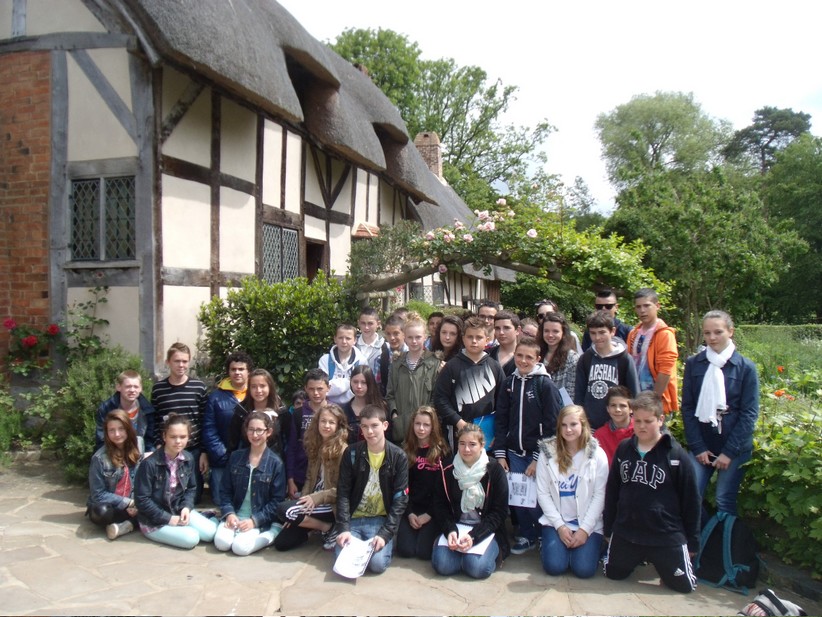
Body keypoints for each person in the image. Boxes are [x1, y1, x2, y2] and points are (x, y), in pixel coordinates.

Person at [603, 392, 700, 593]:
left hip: (664, 534)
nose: (642, 426)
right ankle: (638, 558)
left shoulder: (675, 455)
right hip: (628, 532)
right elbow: (612, 491)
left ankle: (662, 563)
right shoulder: (624, 449)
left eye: (648, 421)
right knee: (613, 574)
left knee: (684, 586)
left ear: (660, 419)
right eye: (637, 420)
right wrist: (608, 529)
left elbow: (691, 500)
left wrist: (692, 542)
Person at [682, 310, 759, 518]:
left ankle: (724, 539)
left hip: (734, 447)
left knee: (724, 499)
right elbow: (688, 407)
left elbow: (749, 413)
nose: (712, 338)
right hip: (703, 444)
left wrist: (729, 452)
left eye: (718, 332)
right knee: (690, 495)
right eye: (707, 333)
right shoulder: (694, 364)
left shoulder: (745, 367)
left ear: (730, 331)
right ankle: (701, 536)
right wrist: (698, 447)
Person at [494, 336, 563, 555]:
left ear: (538, 359)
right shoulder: (509, 383)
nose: (523, 361)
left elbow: (552, 425)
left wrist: (537, 458)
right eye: (519, 356)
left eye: (529, 357)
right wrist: (501, 454)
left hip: (538, 454)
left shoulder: (545, 385)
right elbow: (501, 420)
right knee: (519, 497)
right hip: (514, 453)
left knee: (539, 498)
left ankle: (545, 533)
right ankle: (527, 534)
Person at [334, 404, 409, 575]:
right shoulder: (351, 453)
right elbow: (343, 493)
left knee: (377, 565)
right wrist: (343, 528)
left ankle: (389, 542)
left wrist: (385, 534)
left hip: (380, 521)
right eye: (365, 426)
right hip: (354, 520)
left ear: (385, 425)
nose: (369, 431)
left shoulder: (398, 456)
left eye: (374, 425)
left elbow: (400, 499)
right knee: (344, 562)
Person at [536, 405, 609, 578]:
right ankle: (549, 544)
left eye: (573, 424)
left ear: (583, 425)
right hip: (557, 522)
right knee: (554, 567)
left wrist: (584, 530)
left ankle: (596, 546)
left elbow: (600, 495)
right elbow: (543, 494)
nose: (568, 430)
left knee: (583, 570)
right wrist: (560, 526)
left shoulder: (597, 454)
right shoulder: (547, 453)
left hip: (587, 523)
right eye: (563, 425)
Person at [431, 424, 509, 579]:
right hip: (457, 527)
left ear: (482, 445)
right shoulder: (447, 469)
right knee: (442, 565)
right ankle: (459, 556)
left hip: (485, 530)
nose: (466, 449)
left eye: (472, 444)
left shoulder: (494, 470)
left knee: (477, 568)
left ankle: (485, 555)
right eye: (462, 444)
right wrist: (450, 530)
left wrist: (474, 537)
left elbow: (499, 512)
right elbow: (440, 505)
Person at [134, 414, 218, 549]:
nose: (178, 441)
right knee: (192, 538)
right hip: (154, 520)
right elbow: (142, 500)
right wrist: (168, 519)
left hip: (178, 510)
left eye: (183, 437)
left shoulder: (188, 458)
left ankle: (205, 518)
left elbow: (191, 488)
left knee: (210, 533)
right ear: (164, 436)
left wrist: (186, 507)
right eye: (173, 437)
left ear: (188, 437)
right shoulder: (149, 464)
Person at [275, 404, 349, 551]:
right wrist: (300, 504)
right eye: (323, 421)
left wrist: (314, 500)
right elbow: (309, 479)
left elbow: (345, 489)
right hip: (313, 502)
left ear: (338, 426)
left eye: (331, 422)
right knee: (282, 543)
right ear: (317, 422)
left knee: (284, 510)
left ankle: (328, 527)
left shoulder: (343, 451)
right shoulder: (316, 445)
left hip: (331, 504)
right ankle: (317, 527)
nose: (326, 425)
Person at [214, 412, 285, 555]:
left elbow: (277, 501)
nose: (255, 434)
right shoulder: (236, 457)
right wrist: (229, 514)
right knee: (221, 543)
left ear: (268, 432)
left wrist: (254, 521)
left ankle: (273, 532)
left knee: (240, 548)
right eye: (251, 430)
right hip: (235, 516)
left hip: (258, 520)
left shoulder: (276, 463)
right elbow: (225, 491)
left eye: (259, 430)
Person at [433, 316, 505, 449]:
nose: (474, 341)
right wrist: (458, 422)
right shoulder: (451, 366)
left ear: (487, 340)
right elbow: (440, 398)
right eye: (470, 337)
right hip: (457, 430)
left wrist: (498, 429)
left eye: (479, 337)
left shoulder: (494, 366)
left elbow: (503, 402)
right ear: (463, 338)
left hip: (486, 431)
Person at [151, 343, 208, 502]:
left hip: (193, 450)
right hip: (167, 450)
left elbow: (205, 421)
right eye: (177, 361)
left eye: (185, 361)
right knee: (167, 495)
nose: (181, 365)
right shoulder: (158, 389)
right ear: (168, 362)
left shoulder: (199, 387)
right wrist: (158, 444)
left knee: (193, 497)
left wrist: (204, 452)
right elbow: (155, 420)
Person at [397, 406, 450, 560]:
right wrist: (409, 513)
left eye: (426, 425)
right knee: (405, 550)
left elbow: (445, 488)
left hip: (434, 509)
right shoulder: (405, 450)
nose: (421, 429)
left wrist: (430, 514)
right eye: (418, 424)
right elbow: (401, 486)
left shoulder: (442, 451)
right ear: (412, 425)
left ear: (433, 427)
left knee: (424, 553)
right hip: (412, 508)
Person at [574, 310, 639, 430]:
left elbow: (634, 393)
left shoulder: (624, 359)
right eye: (593, 333)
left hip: (617, 425)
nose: (597, 337)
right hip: (590, 425)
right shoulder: (585, 358)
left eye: (602, 332)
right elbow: (579, 394)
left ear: (612, 331)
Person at [202, 351, 253, 506]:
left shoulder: (256, 394)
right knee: (222, 503)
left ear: (248, 371)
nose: (237, 372)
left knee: (246, 504)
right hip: (222, 461)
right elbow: (209, 429)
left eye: (241, 369)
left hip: (250, 459)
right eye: (233, 369)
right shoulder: (216, 397)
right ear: (228, 372)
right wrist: (223, 455)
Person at [385, 312, 440, 444]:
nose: (414, 341)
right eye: (410, 337)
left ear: (425, 336)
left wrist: (427, 417)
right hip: (402, 427)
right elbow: (390, 394)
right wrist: (394, 414)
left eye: (418, 337)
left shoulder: (434, 362)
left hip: (426, 430)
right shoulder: (396, 363)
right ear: (404, 337)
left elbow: (437, 396)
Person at [87, 409, 141, 540]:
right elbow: (98, 494)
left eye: (121, 429)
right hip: (112, 505)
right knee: (101, 512)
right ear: (106, 433)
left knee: (158, 501)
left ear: (128, 429)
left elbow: (141, 481)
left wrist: (137, 503)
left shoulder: (138, 446)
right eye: (111, 430)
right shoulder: (99, 458)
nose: (117, 434)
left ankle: (127, 525)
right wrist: (129, 503)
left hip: (133, 502)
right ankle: (134, 521)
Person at [626, 288, 679, 414]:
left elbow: (665, 371)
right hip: (635, 398)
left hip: (657, 400)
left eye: (646, 306)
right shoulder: (633, 333)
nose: (642, 310)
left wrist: (653, 402)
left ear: (657, 306)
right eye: (638, 307)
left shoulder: (665, 334)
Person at [285, 368, 330, 499]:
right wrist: (290, 479)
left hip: (326, 475)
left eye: (320, 389)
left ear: (328, 388)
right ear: (305, 389)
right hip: (301, 475)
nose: (316, 393)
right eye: (311, 389)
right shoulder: (298, 413)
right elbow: (292, 447)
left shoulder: (335, 412)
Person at [94, 370, 155, 453]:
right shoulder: (106, 408)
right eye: (128, 387)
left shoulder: (148, 410)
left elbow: (149, 440)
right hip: (113, 453)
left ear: (140, 388)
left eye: (136, 387)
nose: (132, 390)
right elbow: (101, 438)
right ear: (118, 387)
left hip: (139, 453)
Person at [228, 368, 284, 457]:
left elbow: (288, 443)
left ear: (270, 387)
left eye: (262, 386)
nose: (258, 390)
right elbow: (233, 443)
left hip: (275, 461)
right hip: (245, 461)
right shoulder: (241, 411)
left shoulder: (281, 411)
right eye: (254, 386)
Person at [319, 323, 366, 406]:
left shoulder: (362, 361)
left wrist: (333, 384)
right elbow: (322, 388)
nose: (344, 342)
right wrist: (349, 382)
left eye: (348, 338)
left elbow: (362, 388)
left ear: (355, 340)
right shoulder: (325, 360)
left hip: (354, 406)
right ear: (335, 339)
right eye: (340, 338)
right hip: (328, 406)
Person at [539, 311, 580, 406]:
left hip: (561, 408)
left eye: (555, 331)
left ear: (563, 333)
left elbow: (571, 391)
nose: (550, 335)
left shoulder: (572, 358)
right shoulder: (537, 353)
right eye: (546, 331)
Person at [342, 365, 385, 444]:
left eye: (363, 382)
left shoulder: (381, 407)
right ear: (350, 382)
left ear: (370, 383)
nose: (359, 386)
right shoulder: (344, 411)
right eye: (355, 382)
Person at [593, 386, 634, 466]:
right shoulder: (599, 436)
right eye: (613, 405)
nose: (617, 409)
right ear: (608, 409)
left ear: (631, 409)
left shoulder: (639, 431)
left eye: (622, 406)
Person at [378, 313, 408, 396]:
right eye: (388, 334)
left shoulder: (411, 354)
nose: (392, 338)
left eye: (396, 333)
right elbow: (380, 383)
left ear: (404, 333)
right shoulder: (383, 356)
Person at [355, 307, 385, 382]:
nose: (366, 327)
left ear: (378, 324)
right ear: (358, 323)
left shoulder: (384, 346)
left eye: (370, 323)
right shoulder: (352, 345)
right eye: (363, 323)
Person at [489, 310, 521, 377]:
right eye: (497, 328)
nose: (501, 332)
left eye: (506, 328)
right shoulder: (486, 354)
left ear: (517, 330)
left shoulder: (525, 357)